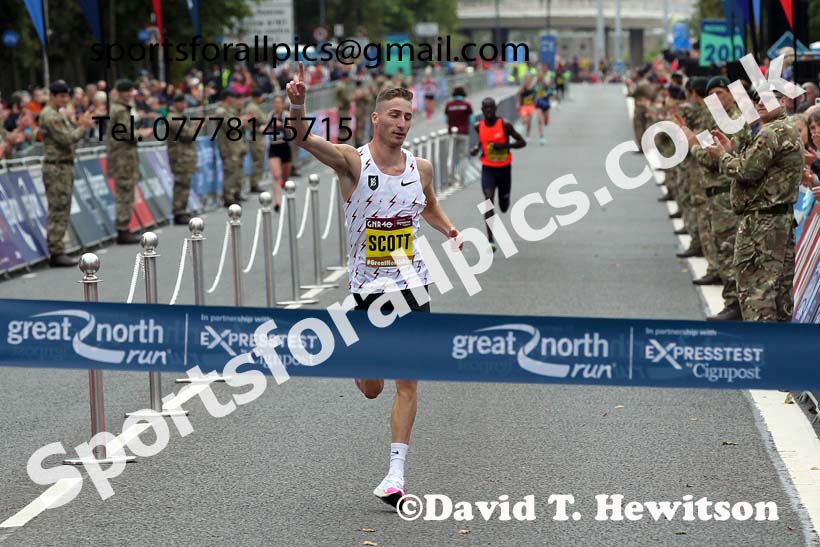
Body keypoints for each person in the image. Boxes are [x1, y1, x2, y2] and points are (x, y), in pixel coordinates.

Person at [286, 62, 462, 509]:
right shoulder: (351, 162)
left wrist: (451, 231)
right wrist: (298, 105)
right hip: (368, 292)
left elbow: (429, 205)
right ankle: (361, 368)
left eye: (408, 116)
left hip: (413, 287)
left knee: (409, 382)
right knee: (372, 387)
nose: (402, 123)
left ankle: (396, 474)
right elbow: (303, 139)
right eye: (395, 116)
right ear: (377, 119)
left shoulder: (420, 168)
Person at [706, 85, 804, 322]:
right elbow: (759, 168)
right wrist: (732, 151)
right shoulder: (786, 128)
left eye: (768, 98)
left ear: (783, 103)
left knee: (757, 292)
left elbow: (746, 171)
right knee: (779, 294)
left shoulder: (770, 132)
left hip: (762, 222)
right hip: (778, 220)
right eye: (757, 98)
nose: (760, 102)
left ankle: (762, 350)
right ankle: (781, 353)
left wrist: (722, 157)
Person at [39, 80, 95, 266]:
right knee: (58, 208)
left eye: (66, 96)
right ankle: (55, 251)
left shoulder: (58, 114)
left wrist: (77, 123)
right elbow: (67, 139)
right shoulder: (50, 116)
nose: (65, 99)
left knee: (63, 207)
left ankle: (58, 247)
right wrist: (83, 126)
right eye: (61, 96)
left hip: (63, 166)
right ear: (53, 96)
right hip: (56, 167)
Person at [470, 97, 526, 253]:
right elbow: (483, 142)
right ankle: (490, 239)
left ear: (495, 109)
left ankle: (506, 197)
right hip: (488, 169)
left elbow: (522, 142)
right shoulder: (478, 126)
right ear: (482, 110)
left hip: (504, 169)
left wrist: (505, 145)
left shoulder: (505, 125)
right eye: (485, 108)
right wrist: (476, 149)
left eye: (491, 108)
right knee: (488, 200)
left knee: (503, 205)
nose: (488, 111)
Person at [107, 79, 152, 244]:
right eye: (126, 91)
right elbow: (125, 133)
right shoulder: (119, 110)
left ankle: (125, 227)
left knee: (127, 192)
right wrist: (142, 134)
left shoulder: (122, 109)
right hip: (122, 157)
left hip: (126, 156)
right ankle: (122, 228)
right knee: (124, 193)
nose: (128, 94)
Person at [167, 94, 198, 225]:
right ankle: (179, 212)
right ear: (177, 103)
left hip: (185, 156)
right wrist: (196, 126)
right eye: (183, 103)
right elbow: (188, 134)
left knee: (185, 184)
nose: (185, 106)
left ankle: (182, 210)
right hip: (179, 157)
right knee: (181, 184)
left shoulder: (181, 117)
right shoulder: (173, 118)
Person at [266, 94, 292, 212]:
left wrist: (283, 125)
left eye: (279, 102)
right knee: (276, 176)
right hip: (274, 147)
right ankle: (277, 202)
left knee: (284, 178)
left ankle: (283, 185)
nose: (277, 105)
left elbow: (292, 129)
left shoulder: (285, 115)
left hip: (285, 146)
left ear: (282, 104)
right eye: (275, 102)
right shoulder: (270, 116)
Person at [244, 89, 267, 193]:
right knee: (258, 161)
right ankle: (254, 183)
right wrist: (258, 129)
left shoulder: (254, 107)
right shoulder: (253, 108)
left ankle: (255, 183)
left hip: (258, 137)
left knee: (259, 161)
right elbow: (258, 121)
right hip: (257, 138)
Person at [516, 73, 536, 138]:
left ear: (531, 79)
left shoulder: (533, 86)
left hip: (531, 106)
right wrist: (518, 103)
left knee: (529, 122)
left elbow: (536, 94)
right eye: (526, 78)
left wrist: (533, 97)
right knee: (524, 121)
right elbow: (518, 95)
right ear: (525, 79)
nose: (527, 79)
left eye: (529, 78)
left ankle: (528, 133)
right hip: (523, 106)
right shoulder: (523, 87)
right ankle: (522, 125)